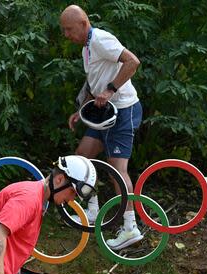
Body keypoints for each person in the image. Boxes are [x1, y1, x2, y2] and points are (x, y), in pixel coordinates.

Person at [60, 4, 144, 251]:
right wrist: (81, 109)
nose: (66, 35)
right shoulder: (87, 47)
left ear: (84, 24)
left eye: (68, 29)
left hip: (124, 110)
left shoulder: (100, 40)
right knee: (81, 159)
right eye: (63, 30)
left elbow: (132, 62)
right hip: (102, 113)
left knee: (117, 170)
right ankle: (93, 211)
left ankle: (130, 227)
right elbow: (93, 81)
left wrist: (110, 90)